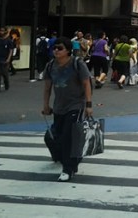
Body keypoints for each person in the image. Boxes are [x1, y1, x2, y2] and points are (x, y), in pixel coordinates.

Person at [41, 37, 93, 182]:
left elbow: (86, 83)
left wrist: (88, 105)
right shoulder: (51, 65)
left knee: (67, 137)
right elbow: (47, 88)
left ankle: (68, 169)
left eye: (60, 48)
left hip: (76, 105)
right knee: (53, 136)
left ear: (68, 50)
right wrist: (46, 105)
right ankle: (66, 157)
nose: (56, 50)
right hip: (59, 106)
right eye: (55, 48)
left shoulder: (77, 64)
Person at [0, 27, 14, 93]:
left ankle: (6, 83)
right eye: (0, 31)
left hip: (5, 59)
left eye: (2, 31)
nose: (1, 32)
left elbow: (10, 50)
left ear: (5, 32)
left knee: (4, 73)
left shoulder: (8, 40)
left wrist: (8, 59)